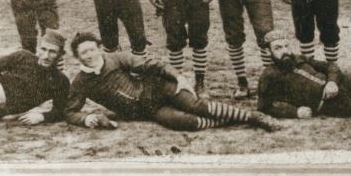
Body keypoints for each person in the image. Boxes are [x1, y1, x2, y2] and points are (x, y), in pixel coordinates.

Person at [64, 32, 281, 131]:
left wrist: (180, 78)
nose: (90, 55)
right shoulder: (81, 82)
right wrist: (86, 118)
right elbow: (70, 111)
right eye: (84, 52)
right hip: (147, 110)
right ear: (77, 57)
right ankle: (234, 120)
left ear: (99, 49)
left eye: (92, 49)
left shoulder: (115, 58)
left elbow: (153, 65)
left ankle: (253, 116)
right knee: (185, 122)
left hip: (159, 88)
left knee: (198, 106)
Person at [257, 30, 351, 119]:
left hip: (344, 81)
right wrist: (295, 112)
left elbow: (331, 66)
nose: (285, 51)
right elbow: (264, 107)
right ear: (268, 52)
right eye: (278, 48)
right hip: (331, 104)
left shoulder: (299, 58)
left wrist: (332, 82)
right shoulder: (269, 76)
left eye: (286, 46)